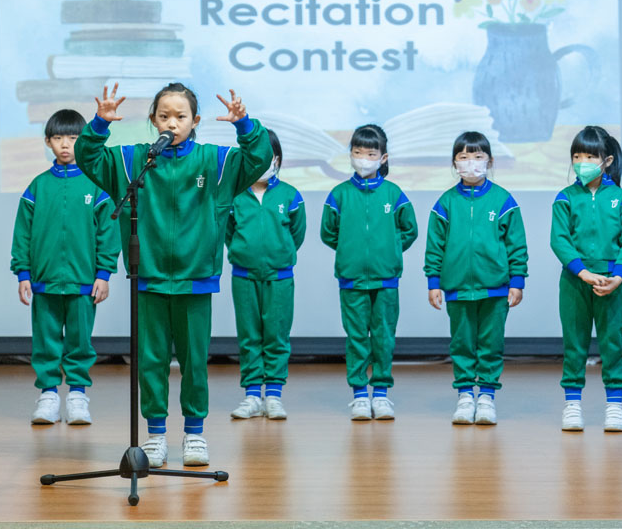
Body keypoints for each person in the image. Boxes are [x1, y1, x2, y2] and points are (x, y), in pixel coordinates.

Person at [75, 82, 272, 466]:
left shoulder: (215, 162)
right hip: (148, 279)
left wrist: (244, 124)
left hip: (195, 280)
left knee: (194, 362)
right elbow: (88, 157)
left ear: (195, 121)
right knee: (151, 362)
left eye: (181, 116)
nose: (172, 123)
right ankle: (155, 436)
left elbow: (258, 158)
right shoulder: (133, 160)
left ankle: (194, 434)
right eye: (164, 116)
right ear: (153, 119)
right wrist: (100, 123)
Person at [10, 109, 118, 426]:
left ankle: (77, 396)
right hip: (44, 282)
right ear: (48, 142)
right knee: (45, 341)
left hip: (83, 282)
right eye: (58, 138)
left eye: (72, 138)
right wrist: (23, 274)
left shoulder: (96, 186)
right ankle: (48, 396)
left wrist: (103, 274)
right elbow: (22, 234)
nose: (66, 144)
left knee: (80, 342)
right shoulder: (38, 186)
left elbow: (108, 234)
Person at [424, 131, 528, 425]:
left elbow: (516, 245)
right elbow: (435, 246)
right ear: (454, 163)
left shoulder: (503, 200)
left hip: (495, 289)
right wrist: (434, 283)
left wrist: (517, 281)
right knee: (462, 344)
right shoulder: (446, 203)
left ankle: (487, 398)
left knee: (491, 344)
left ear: (490, 161)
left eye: (478, 156)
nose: (471, 162)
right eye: (464, 157)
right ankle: (465, 396)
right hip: (457, 289)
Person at [321, 124, 418, 421]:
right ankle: (360, 395)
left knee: (383, 337)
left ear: (383, 157)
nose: (364, 158)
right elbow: (328, 233)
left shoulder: (393, 194)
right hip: (351, 279)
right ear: (351, 154)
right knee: (356, 338)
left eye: (371, 153)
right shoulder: (339, 194)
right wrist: (350, 250)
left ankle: (382, 394)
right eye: (358, 152)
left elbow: (409, 230)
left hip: (386, 280)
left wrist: (388, 250)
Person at [550, 125, 622, 432]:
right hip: (575, 282)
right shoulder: (565, 198)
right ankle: (572, 404)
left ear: (607, 161)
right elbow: (559, 240)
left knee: (612, 344)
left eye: (590, 156)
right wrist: (583, 273)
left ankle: (615, 406)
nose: (582, 162)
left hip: (611, 284)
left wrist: (618, 277)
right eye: (577, 156)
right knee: (574, 344)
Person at [225, 128, 306, 420]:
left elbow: (296, 234)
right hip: (244, 277)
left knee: (276, 335)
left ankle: (273, 395)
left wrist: (279, 256)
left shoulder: (290, 195)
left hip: (280, 277)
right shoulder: (235, 195)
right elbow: (229, 233)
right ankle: (251, 396)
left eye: (267, 156)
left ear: (277, 159)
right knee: (249, 336)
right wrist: (245, 253)